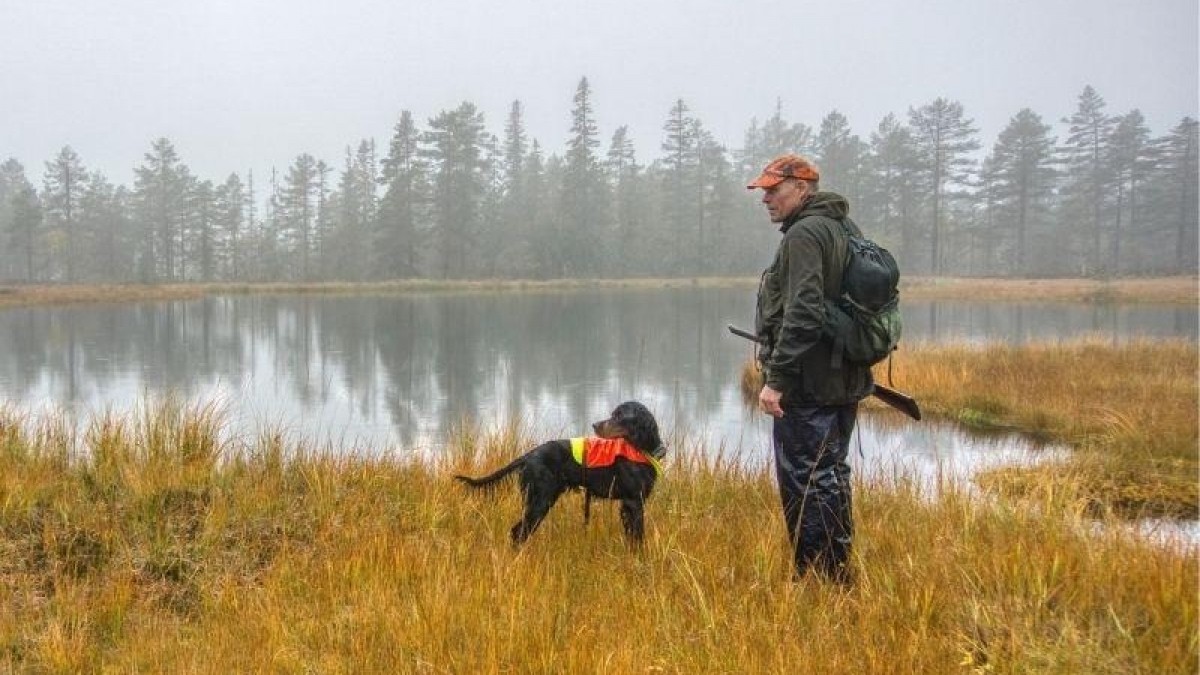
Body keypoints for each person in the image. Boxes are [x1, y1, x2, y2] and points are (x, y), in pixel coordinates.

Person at [746, 153, 873, 585]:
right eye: (763, 191)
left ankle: (816, 580)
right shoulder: (841, 227)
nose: (766, 199)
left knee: (806, 483)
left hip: (809, 386)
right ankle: (837, 575)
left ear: (802, 187)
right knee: (832, 477)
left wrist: (776, 381)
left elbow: (803, 311)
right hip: (842, 382)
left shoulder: (804, 234)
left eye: (773, 190)